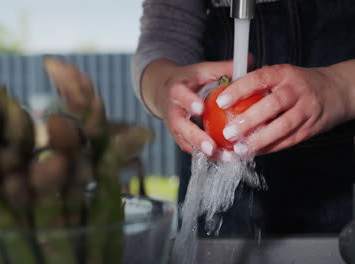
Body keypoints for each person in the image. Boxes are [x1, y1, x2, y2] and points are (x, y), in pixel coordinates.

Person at [132, 0, 355, 234]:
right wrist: (166, 87)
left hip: (341, 187)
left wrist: (340, 88)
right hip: (217, 187)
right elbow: (164, 36)